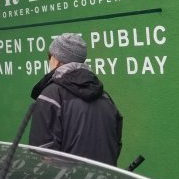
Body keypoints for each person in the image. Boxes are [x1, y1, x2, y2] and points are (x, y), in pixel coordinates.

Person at [28, 33, 123, 166]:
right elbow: (115, 145)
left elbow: (41, 153)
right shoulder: (105, 98)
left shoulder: (51, 95)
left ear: (57, 60)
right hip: (103, 178)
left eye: (49, 57)